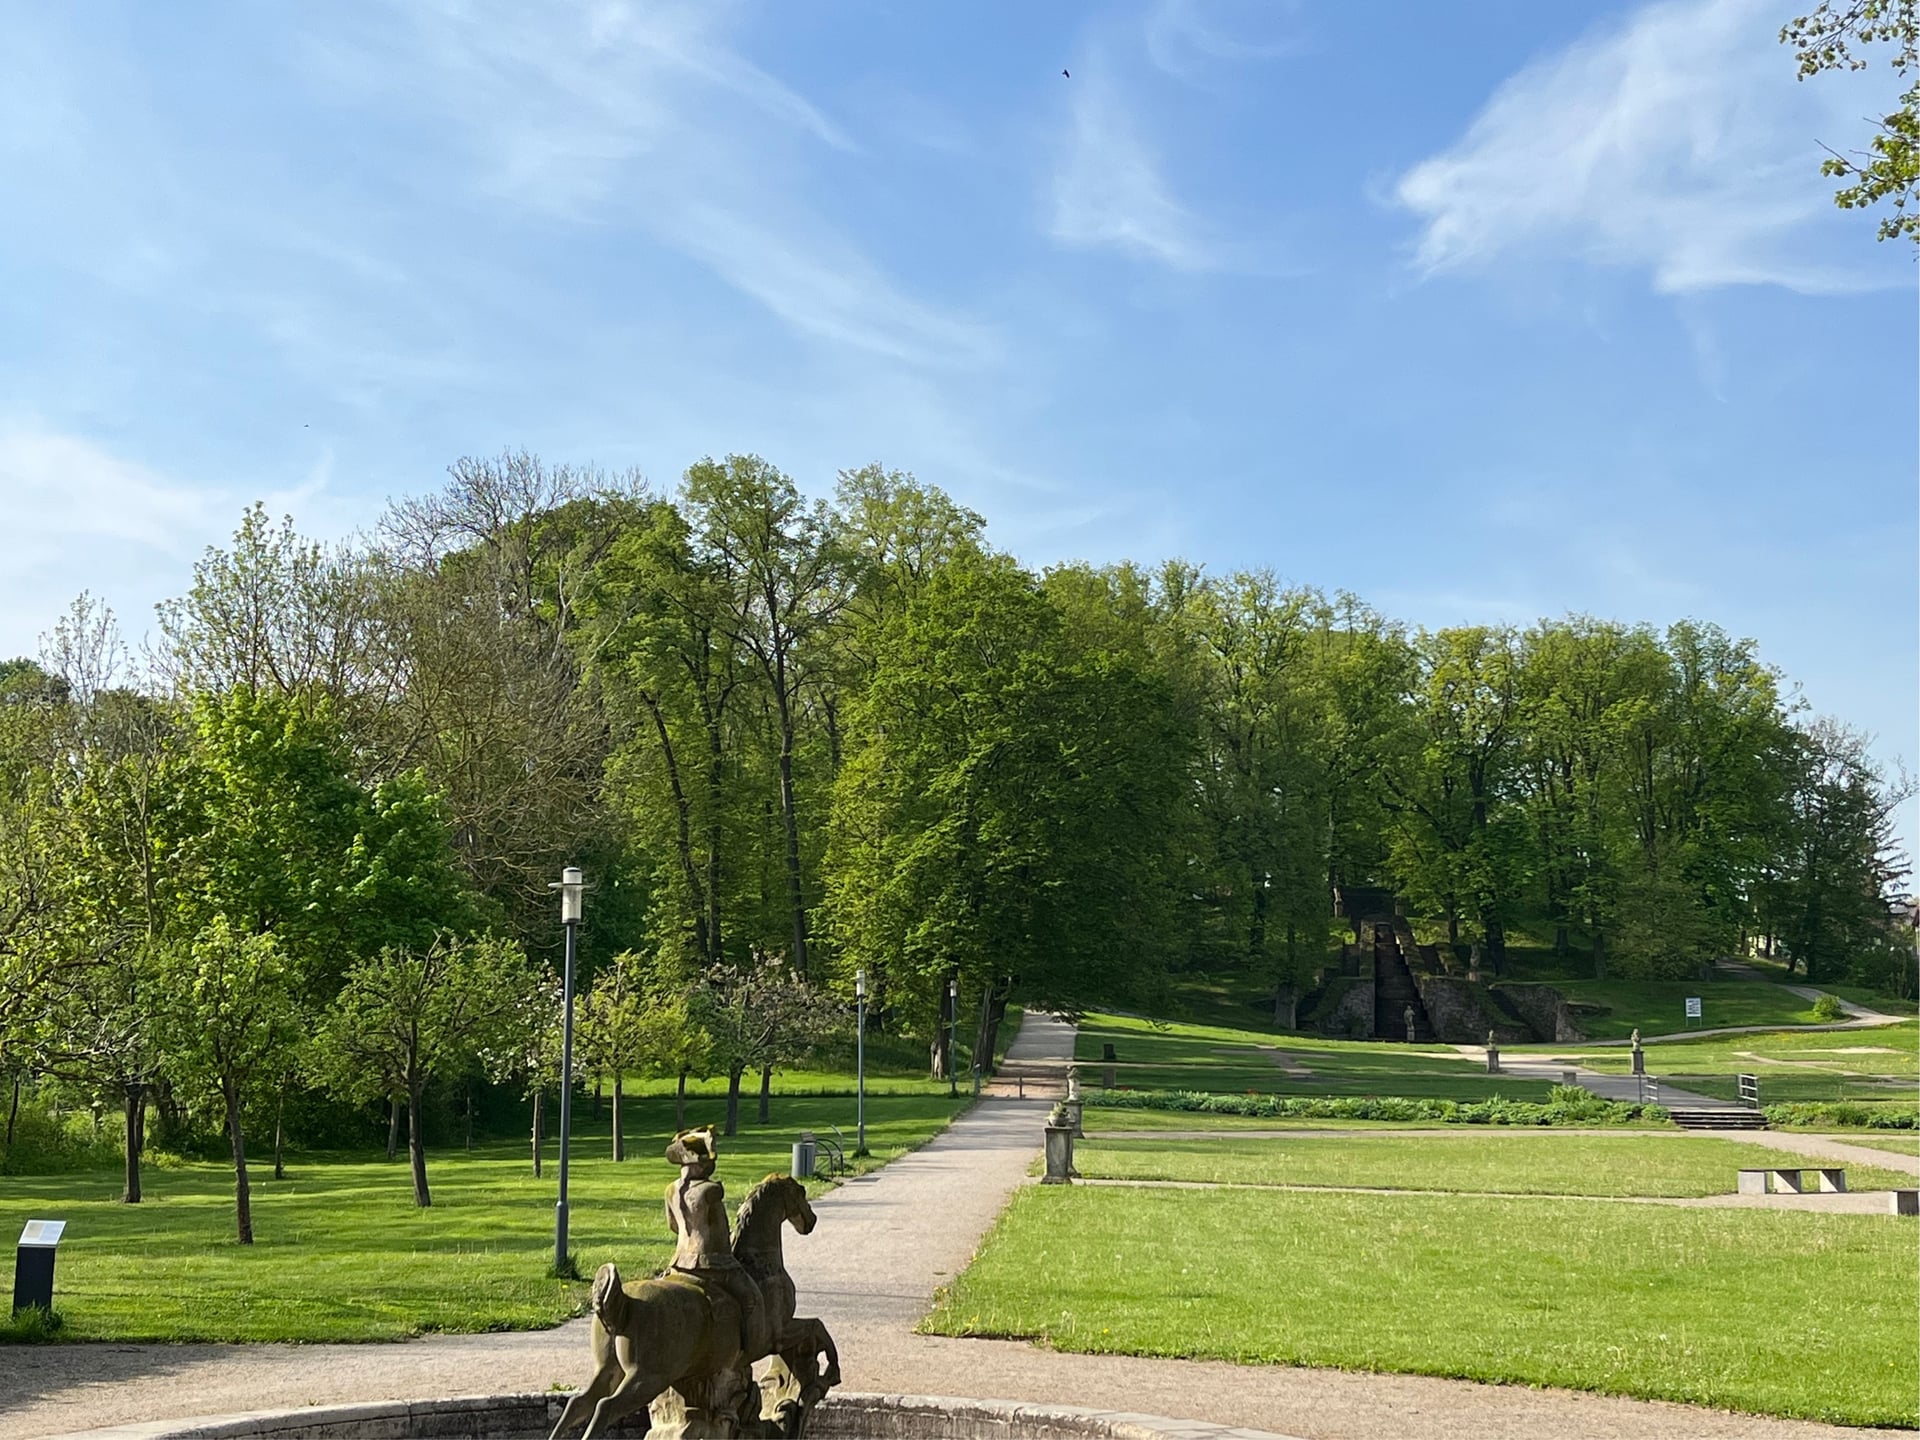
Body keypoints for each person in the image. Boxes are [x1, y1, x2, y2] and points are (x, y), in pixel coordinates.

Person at [663, 1126, 770, 1361]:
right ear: (702, 1163)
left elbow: (673, 1225)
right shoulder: (711, 1190)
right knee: (752, 1299)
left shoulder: (671, 1190)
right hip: (712, 1263)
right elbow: (719, 1231)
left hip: (679, 1262)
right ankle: (750, 1350)